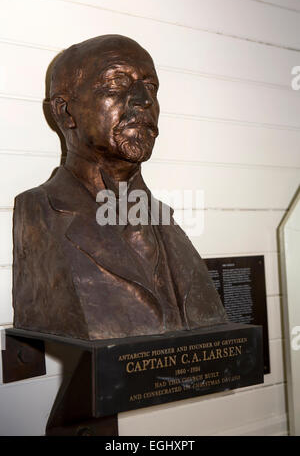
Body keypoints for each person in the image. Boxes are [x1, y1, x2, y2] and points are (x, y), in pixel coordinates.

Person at [13, 35, 227, 339]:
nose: (144, 99)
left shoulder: (166, 222)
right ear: (65, 112)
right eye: (117, 82)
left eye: (150, 87)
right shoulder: (40, 211)